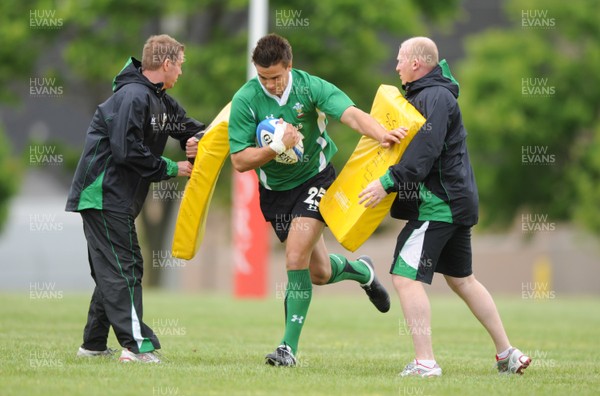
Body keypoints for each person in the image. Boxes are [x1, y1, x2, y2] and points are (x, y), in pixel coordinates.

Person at [228, 33, 406, 367]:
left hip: (317, 178)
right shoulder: (246, 100)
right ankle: (361, 271)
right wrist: (276, 148)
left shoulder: (310, 88)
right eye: (264, 78)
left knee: (295, 256)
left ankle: (287, 349)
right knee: (319, 273)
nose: (272, 85)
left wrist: (381, 133)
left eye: (277, 77)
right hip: (276, 192)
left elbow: (350, 114)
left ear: (290, 67)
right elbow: (239, 161)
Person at [359, 37, 531, 377]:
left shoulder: (433, 96)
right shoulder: (431, 94)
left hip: (438, 205)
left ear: (416, 64)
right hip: (455, 202)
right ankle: (507, 354)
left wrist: (387, 183)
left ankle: (426, 362)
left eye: (399, 60)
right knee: (462, 280)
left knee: (404, 277)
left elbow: (424, 152)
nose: (396, 67)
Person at [66, 34, 205, 363]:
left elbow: (191, 128)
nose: (181, 73)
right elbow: (126, 150)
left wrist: (197, 139)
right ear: (167, 64)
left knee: (111, 270)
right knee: (124, 267)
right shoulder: (133, 96)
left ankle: (93, 346)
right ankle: (135, 346)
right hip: (102, 196)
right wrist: (171, 166)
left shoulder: (159, 100)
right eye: (180, 66)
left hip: (115, 199)